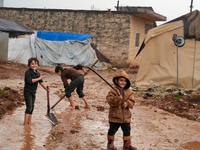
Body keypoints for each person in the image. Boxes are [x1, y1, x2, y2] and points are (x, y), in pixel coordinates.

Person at [106, 69, 137, 150]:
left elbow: (132, 101)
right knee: (112, 131)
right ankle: (110, 144)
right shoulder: (113, 91)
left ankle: (127, 145)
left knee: (127, 131)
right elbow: (110, 101)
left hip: (126, 118)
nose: (123, 82)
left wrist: (127, 103)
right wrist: (117, 98)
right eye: (121, 80)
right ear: (116, 81)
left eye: (125, 81)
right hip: (115, 117)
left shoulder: (129, 91)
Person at [23, 57, 49, 125]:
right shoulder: (28, 72)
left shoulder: (37, 73)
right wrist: (39, 78)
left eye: (36, 64)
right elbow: (30, 81)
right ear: (29, 65)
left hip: (33, 92)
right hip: (27, 92)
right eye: (32, 64)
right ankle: (25, 124)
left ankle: (29, 122)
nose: (34, 65)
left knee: (32, 107)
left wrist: (46, 88)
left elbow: (41, 82)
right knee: (29, 107)